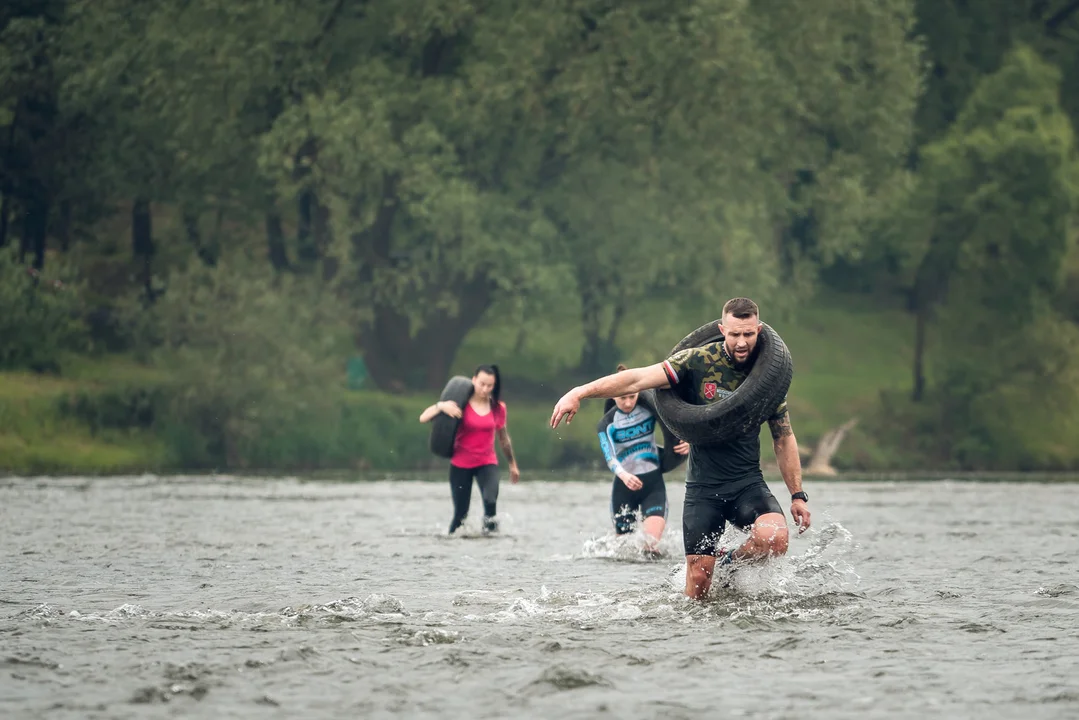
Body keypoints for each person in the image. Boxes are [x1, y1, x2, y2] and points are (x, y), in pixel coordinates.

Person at [550, 298, 811, 599]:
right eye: (735, 334)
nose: (742, 342)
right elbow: (636, 378)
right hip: (703, 487)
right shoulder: (698, 360)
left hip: (746, 482)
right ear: (721, 329)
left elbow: (783, 437)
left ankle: (730, 563)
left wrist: (797, 495)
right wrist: (579, 392)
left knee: (775, 538)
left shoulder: (767, 377)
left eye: (749, 334)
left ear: (759, 330)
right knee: (698, 585)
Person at [420, 364, 521, 534]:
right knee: (460, 514)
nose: (485, 389)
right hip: (461, 465)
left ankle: (492, 543)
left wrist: (512, 464)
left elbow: (503, 438)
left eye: (490, 386)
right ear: (473, 380)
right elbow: (423, 418)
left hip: (487, 464)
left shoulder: (498, 408)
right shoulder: (459, 404)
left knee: (490, 504)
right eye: (482, 384)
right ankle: (452, 542)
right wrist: (441, 406)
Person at [598, 364, 690, 550]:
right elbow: (610, 457)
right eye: (622, 398)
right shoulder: (607, 423)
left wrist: (687, 441)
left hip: (653, 484)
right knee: (624, 550)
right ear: (613, 395)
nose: (628, 402)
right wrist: (625, 475)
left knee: (650, 546)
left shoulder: (649, 410)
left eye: (632, 396)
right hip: (624, 486)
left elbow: (677, 424)